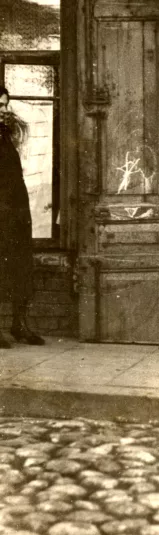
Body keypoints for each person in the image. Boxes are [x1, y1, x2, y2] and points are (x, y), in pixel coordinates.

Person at [0, 87, 44, 348]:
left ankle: (19, 324)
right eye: (0, 105)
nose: (5, 110)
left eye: (6, 105)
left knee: (21, 269)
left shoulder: (5, 135)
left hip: (15, 214)